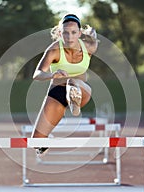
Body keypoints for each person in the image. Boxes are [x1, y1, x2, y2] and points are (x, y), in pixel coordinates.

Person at [31, 14, 99, 156]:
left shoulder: (89, 47)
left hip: (81, 91)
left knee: (72, 81)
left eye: (74, 33)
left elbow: (94, 41)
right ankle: (46, 141)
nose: (69, 37)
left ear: (79, 34)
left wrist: (93, 36)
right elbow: (37, 74)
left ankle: (74, 101)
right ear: (60, 33)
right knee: (36, 141)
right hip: (57, 93)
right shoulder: (54, 50)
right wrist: (52, 75)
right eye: (66, 33)